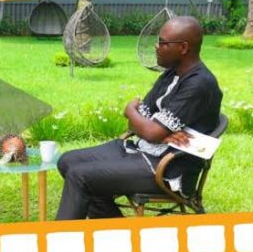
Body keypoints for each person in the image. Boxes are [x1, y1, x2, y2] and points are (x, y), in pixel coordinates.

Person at [56, 16, 222, 220]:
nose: (156, 46)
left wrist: (130, 111)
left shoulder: (199, 84)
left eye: (162, 42)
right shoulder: (172, 73)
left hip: (167, 168)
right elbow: (141, 124)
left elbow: (147, 127)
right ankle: (115, 231)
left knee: (79, 175)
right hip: (141, 149)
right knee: (67, 161)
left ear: (183, 47)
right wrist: (151, 130)